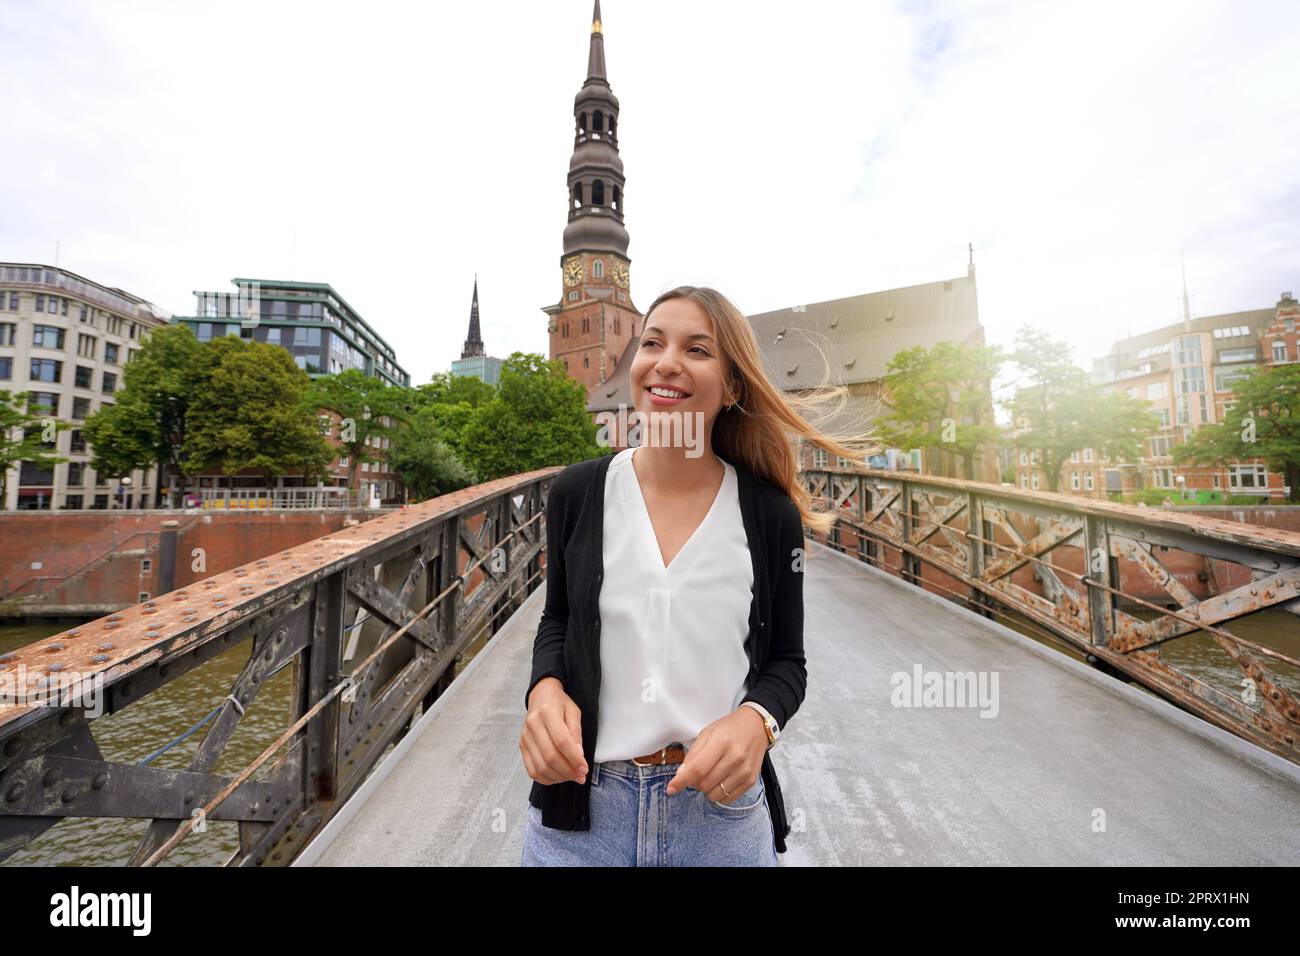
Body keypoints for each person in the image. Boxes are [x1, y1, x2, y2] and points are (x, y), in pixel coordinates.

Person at [519, 285, 872, 866]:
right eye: (651, 342)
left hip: (718, 821)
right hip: (579, 820)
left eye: (697, 349)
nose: (666, 362)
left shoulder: (766, 513)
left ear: (732, 386)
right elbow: (557, 621)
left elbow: (788, 662)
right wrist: (544, 692)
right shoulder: (578, 493)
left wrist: (758, 723)